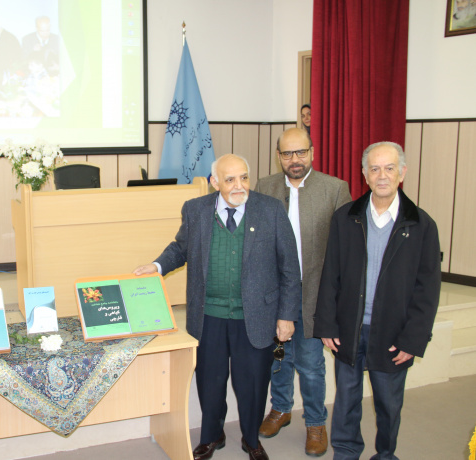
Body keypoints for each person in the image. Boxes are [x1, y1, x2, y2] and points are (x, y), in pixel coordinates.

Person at [133, 154, 301, 460]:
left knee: (252, 384)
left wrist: (287, 315)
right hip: (208, 315)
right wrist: (157, 266)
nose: (239, 186)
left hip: (255, 316)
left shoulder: (271, 210)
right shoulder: (196, 209)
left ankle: (252, 439)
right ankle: (212, 436)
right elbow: (181, 248)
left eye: (244, 177)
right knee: (210, 382)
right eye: (230, 179)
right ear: (214, 182)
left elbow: (289, 268)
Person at [314, 142, 441, 459]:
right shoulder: (345, 218)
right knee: (347, 398)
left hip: (393, 332)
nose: (382, 175)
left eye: (389, 168)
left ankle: (385, 454)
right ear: (365, 174)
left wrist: (413, 339)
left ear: (402, 173)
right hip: (349, 327)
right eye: (374, 169)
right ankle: (346, 451)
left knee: (388, 403)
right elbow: (331, 273)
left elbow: (428, 289)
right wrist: (327, 323)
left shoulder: (422, 225)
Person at [255, 128, 351, 456]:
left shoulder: (335, 189)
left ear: (312, 152)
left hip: (315, 294)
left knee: (310, 363)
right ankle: (280, 409)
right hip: (276, 294)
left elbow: (346, 248)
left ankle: (315, 422)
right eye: (287, 153)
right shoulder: (265, 187)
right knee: (279, 357)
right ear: (278, 156)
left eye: (301, 152)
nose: (294, 160)